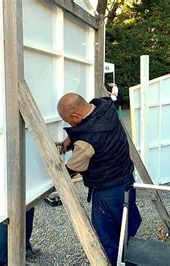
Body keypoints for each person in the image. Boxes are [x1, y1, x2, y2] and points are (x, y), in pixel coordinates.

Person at [57, 93, 142, 263]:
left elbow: (73, 168)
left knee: (107, 234)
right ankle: (128, 253)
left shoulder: (87, 140)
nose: (70, 125)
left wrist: (56, 171)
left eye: (69, 121)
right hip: (126, 179)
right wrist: (70, 139)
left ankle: (115, 261)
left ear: (75, 116)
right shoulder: (105, 108)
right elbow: (89, 124)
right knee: (125, 222)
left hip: (107, 190)